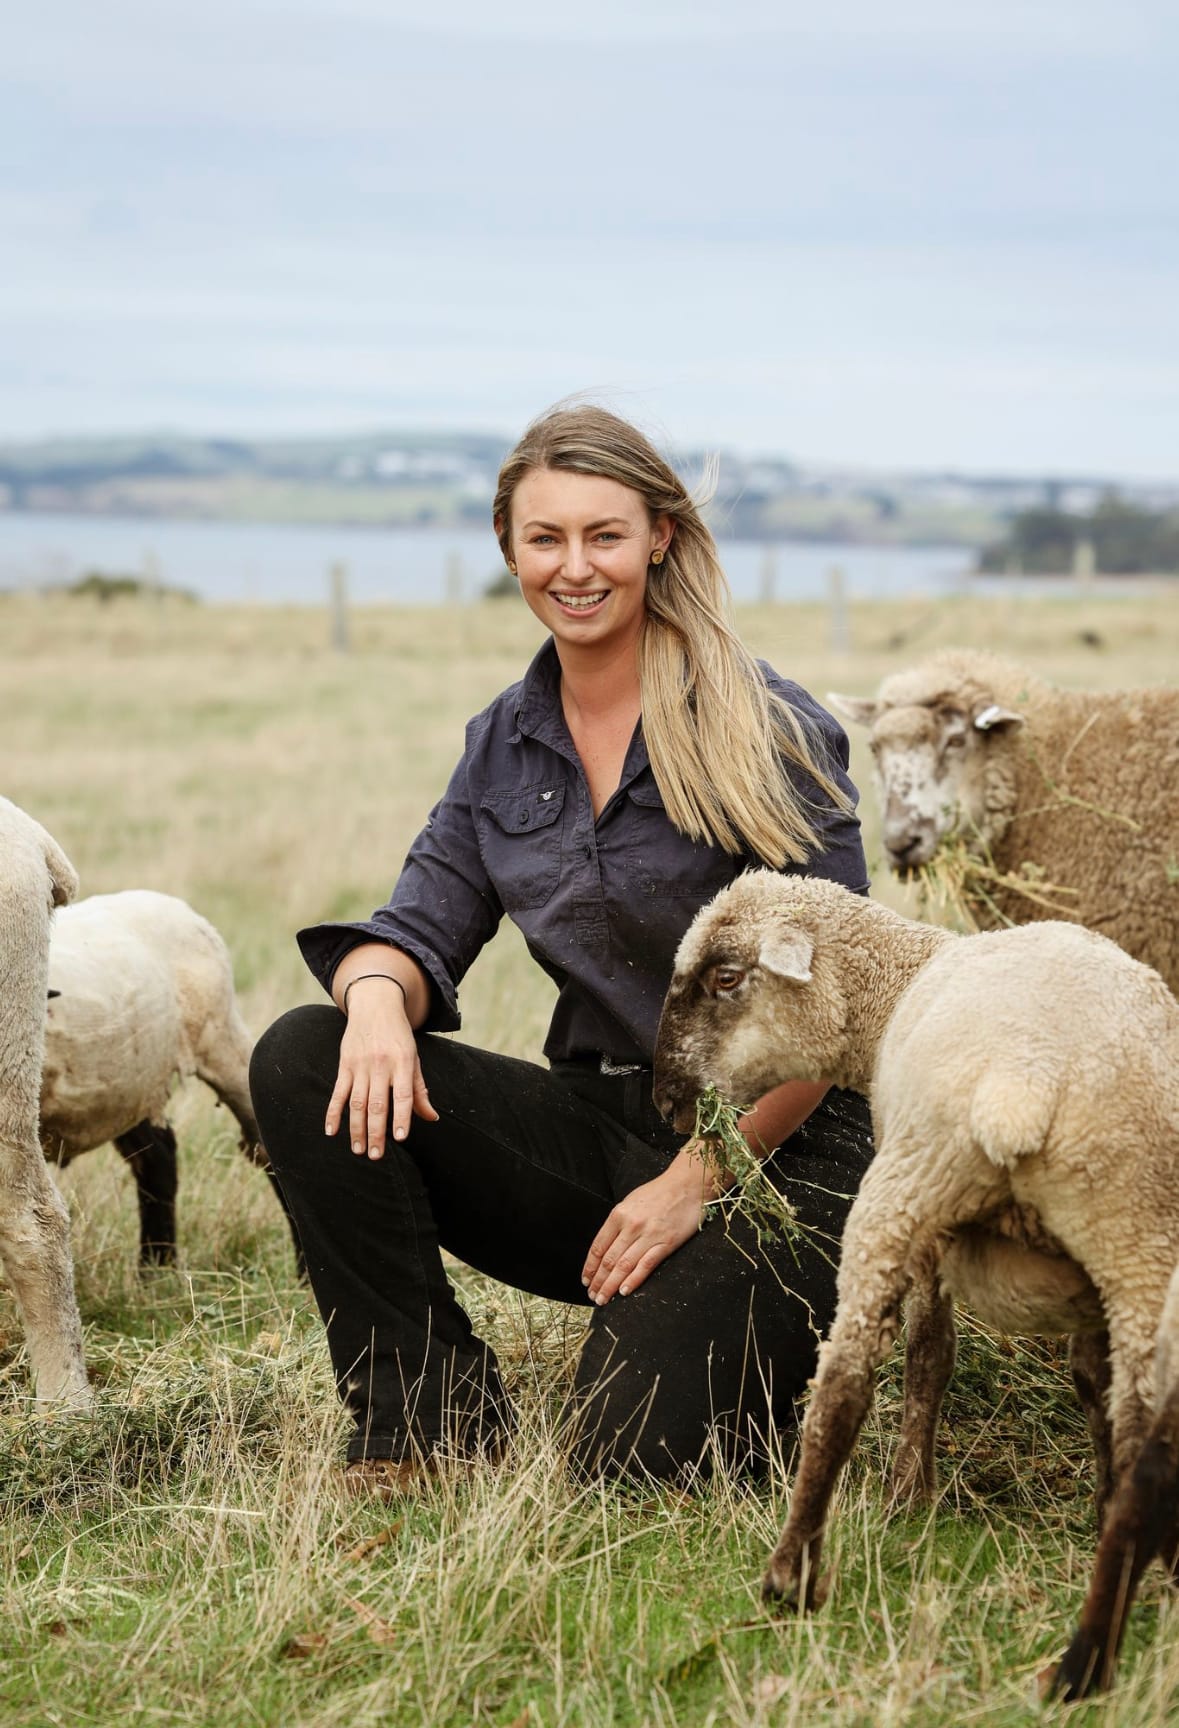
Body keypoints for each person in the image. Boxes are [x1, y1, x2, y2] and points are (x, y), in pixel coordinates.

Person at [249, 403, 875, 1492]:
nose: (574, 567)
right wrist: (380, 1006)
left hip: (780, 1156)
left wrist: (697, 1180)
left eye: (604, 536)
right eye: (545, 539)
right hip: (603, 1125)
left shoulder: (766, 726)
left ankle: (722, 1341)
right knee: (308, 1055)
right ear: (509, 550)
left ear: (658, 540)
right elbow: (412, 926)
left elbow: (833, 1004)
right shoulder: (504, 741)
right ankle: (426, 1413)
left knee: (633, 1460)